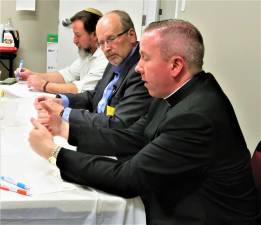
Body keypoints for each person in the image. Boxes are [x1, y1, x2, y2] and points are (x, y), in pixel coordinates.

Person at [29, 19, 260, 225]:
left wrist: (54, 153)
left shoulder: (196, 116)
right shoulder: (174, 92)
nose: (138, 67)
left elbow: (128, 179)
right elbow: (134, 136)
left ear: (175, 65)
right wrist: (65, 129)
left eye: (145, 58)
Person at [35, 10, 151, 129]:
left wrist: (63, 112)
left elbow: (118, 124)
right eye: (101, 43)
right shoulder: (117, 58)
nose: (106, 48)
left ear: (131, 35)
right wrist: (62, 101)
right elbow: (96, 96)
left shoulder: (141, 70)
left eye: (111, 38)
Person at [16, 8, 108, 94]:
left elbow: (80, 89)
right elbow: (66, 75)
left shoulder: (104, 59)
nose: (74, 40)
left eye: (78, 35)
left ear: (95, 35)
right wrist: (31, 75)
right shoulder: (88, 54)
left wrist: (43, 85)